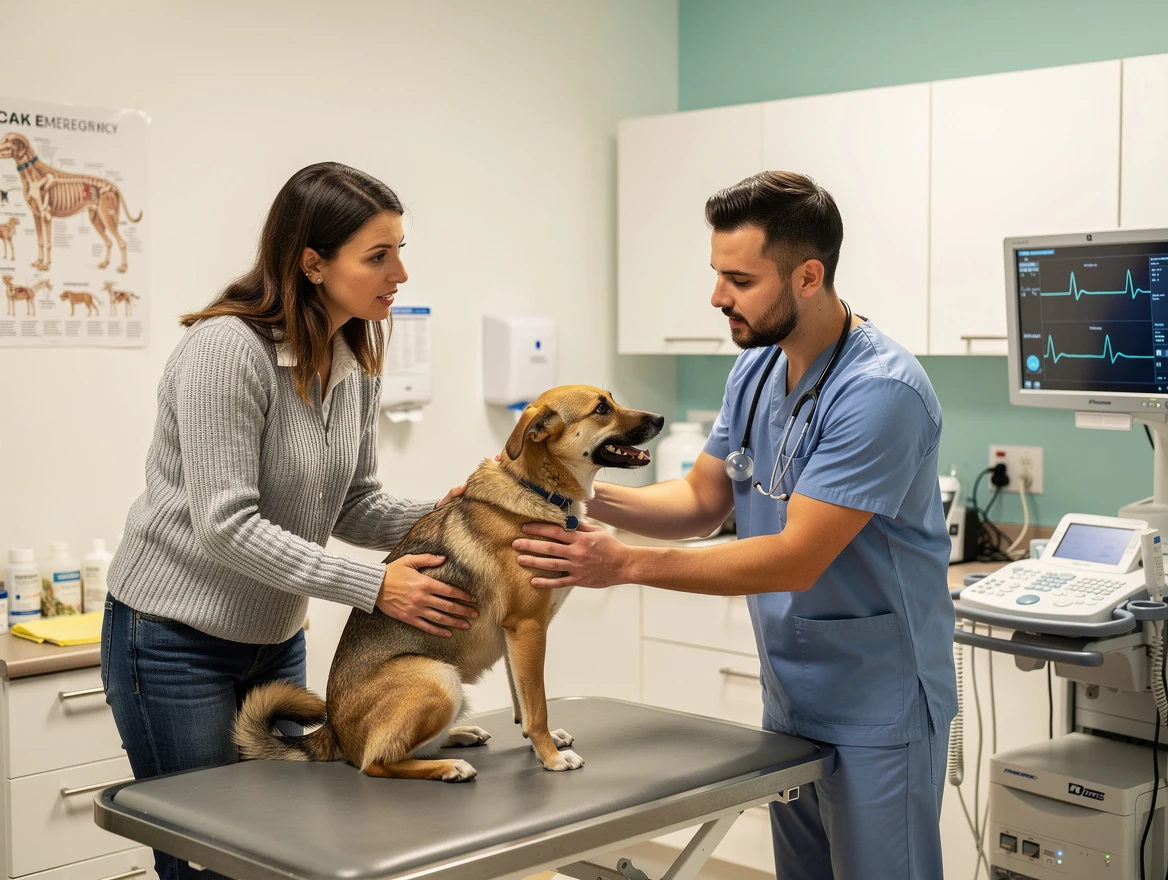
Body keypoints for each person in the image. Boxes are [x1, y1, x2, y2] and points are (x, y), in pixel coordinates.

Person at [512, 171, 958, 879]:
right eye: (718, 274)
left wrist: (621, 563)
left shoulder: (880, 392)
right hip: (793, 695)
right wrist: (560, 491)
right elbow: (699, 501)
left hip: (881, 704)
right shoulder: (754, 371)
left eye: (739, 280)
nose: (718, 296)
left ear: (808, 276)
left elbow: (794, 559)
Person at [101, 162, 478, 880]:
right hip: (171, 642)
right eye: (378, 255)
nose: (399, 271)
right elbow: (226, 524)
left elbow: (355, 501)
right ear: (311, 263)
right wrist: (374, 587)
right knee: (206, 862)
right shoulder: (226, 352)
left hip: (273, 641)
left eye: (400, 249)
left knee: (285, 854)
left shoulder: (352, 357)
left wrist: (455, 513)